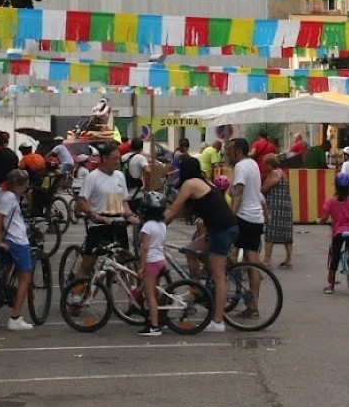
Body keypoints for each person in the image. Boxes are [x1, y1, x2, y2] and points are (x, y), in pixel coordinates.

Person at [162, 155, 237, 332]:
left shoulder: (191, 184)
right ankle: (197, 289)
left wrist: (155, 223)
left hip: (222, 230)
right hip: (221, 228)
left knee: (219, 277)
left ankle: (218, 322)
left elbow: (173, 209)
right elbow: (179, 212)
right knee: (189, 250)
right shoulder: (205, 182)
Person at [69, 143, 132, 292]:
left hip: (118, 224)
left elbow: (124, 202)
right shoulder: (93, 177)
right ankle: (76, 297)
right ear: (104, 158)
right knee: (89, 263)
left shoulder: (120, 176)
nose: (117, 162)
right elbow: (82, 201)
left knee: (125, 262)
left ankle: (133, 298)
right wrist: (94, 215)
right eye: (114, 158)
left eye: (119, 158)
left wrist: (130, 214)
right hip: (99, 224)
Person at [225, 137, 267, 319]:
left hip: (243, 217)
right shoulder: (253, 164)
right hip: (255, 217)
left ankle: (226, 288)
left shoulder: (241, 167)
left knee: (226, 254)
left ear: (238, 150)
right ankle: (253, 304)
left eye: (229, 149)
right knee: (252, 260)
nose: (227, 152)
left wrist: (230, 218)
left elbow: (238, 193)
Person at [0, 169, 36, 331]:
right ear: (18, 185)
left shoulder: (1, 192)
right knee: (25, 277)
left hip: (8, 237)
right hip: (17, 239)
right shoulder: (10, 198)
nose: (26, 188)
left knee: (5, 272)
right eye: (24, 186)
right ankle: (15, 317)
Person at [135, 191, 169, 336]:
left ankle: (154, 326)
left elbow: (145, 248)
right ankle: (162, 319)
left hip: (151, 262)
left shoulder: (147, 226)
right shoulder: (162, 224)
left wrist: (141, 267)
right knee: (156, 293)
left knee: (150, 296)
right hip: (161, 261)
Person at [321, 172, 349, 294]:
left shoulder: (331, 202)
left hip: (338, 232)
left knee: (335, 257)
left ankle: (330, 285)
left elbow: (324, 218)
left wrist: (319, 221)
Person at [260, 153, 293, 269]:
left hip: (275, 206)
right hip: (285, 205)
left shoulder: (274, 173)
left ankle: (267, 259)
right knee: (287, 233)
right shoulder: (282, 173)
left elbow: (264, 188)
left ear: (270, 164)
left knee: (271, 232)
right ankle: (288, 259)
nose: (265, 167)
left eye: (265, 165)